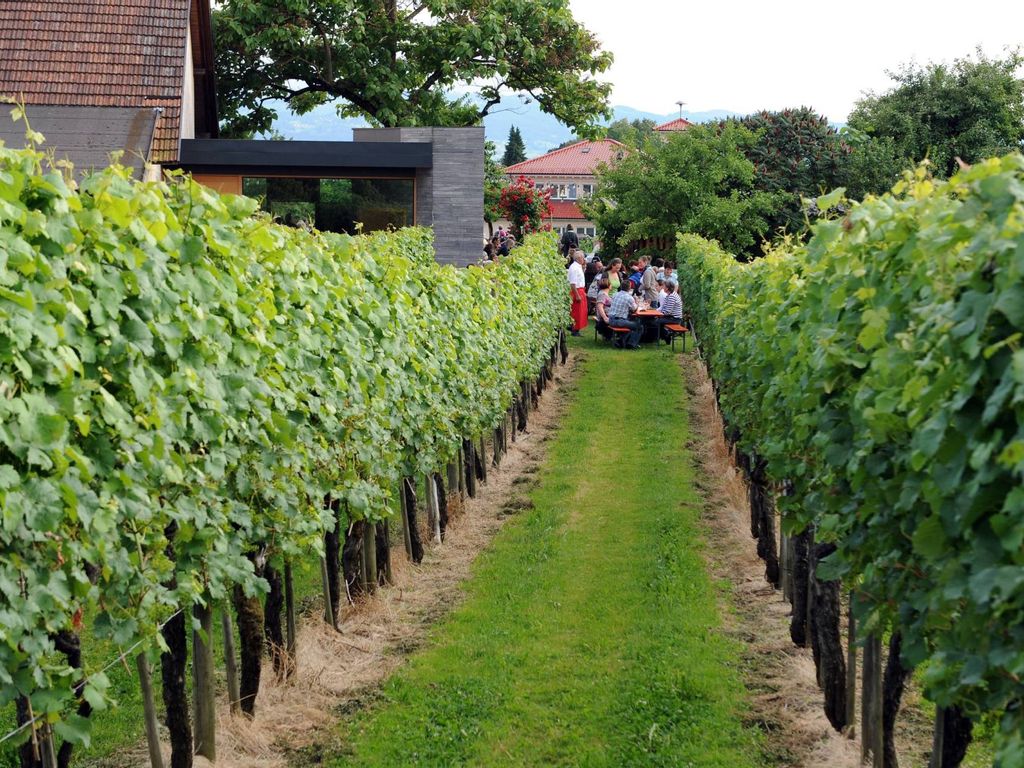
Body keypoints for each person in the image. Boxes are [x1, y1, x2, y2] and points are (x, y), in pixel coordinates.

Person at [608, 280, 641, 349]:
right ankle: (631, 344)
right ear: (629, 288)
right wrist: (637, 302)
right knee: (639, 326)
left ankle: (620, 341)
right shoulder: (629, 298)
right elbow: (634, 309)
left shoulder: (615, 294)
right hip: (619, 321)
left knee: (630, 323)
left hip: (610, 320)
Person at [656, 278, 684, 343]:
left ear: (667, 288)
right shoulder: (670, 295)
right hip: (671, 317)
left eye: (664, 286)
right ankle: (666, 336)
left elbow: (668, 312)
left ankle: (666, 336)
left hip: (674, 319)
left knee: (656, 322)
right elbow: (664, 308)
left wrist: (658, 314)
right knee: (656, 321)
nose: (663, 287)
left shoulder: (672, 296)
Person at [568, 251, 588, 336]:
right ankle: (575, 329)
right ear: (579, 258)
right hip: (577, 290)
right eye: (583, 258)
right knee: (577, 311)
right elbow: (573, 283)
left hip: (580, 290)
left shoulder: (578, 267)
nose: (584, 259)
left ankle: (575, 328)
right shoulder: (574, 268)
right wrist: (577, 295)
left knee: (581, 311)